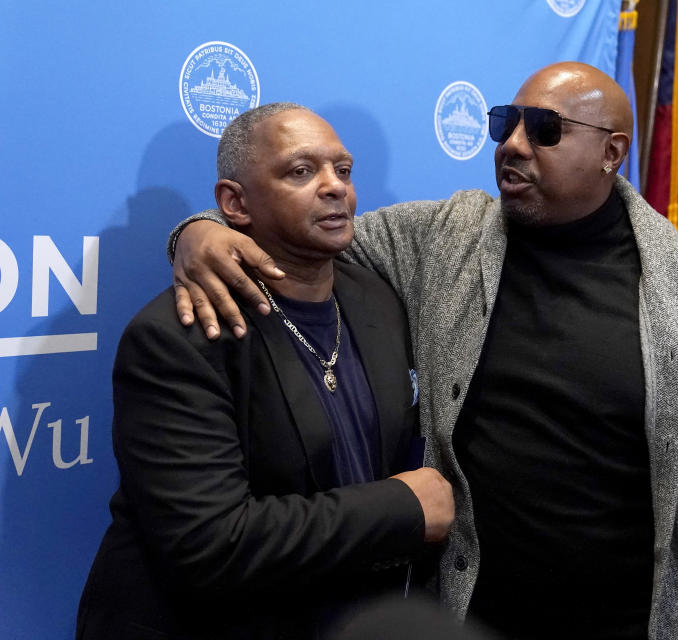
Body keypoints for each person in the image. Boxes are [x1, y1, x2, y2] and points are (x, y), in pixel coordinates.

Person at [168, 63, 678, 639]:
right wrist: (198, 232)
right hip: (470, 615)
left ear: (612, 152)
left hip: (640, 620)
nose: (513, 145)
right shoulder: (445, 237)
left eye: (545, 130)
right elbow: (297, 236)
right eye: (507, 122)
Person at [76, 103, 455, 640]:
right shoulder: (177, 336)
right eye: (302, 172)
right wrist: (401, 508)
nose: (334, 188)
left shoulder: (376, 299)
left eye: (343, 170)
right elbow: (211, 545)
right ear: (235, 202)